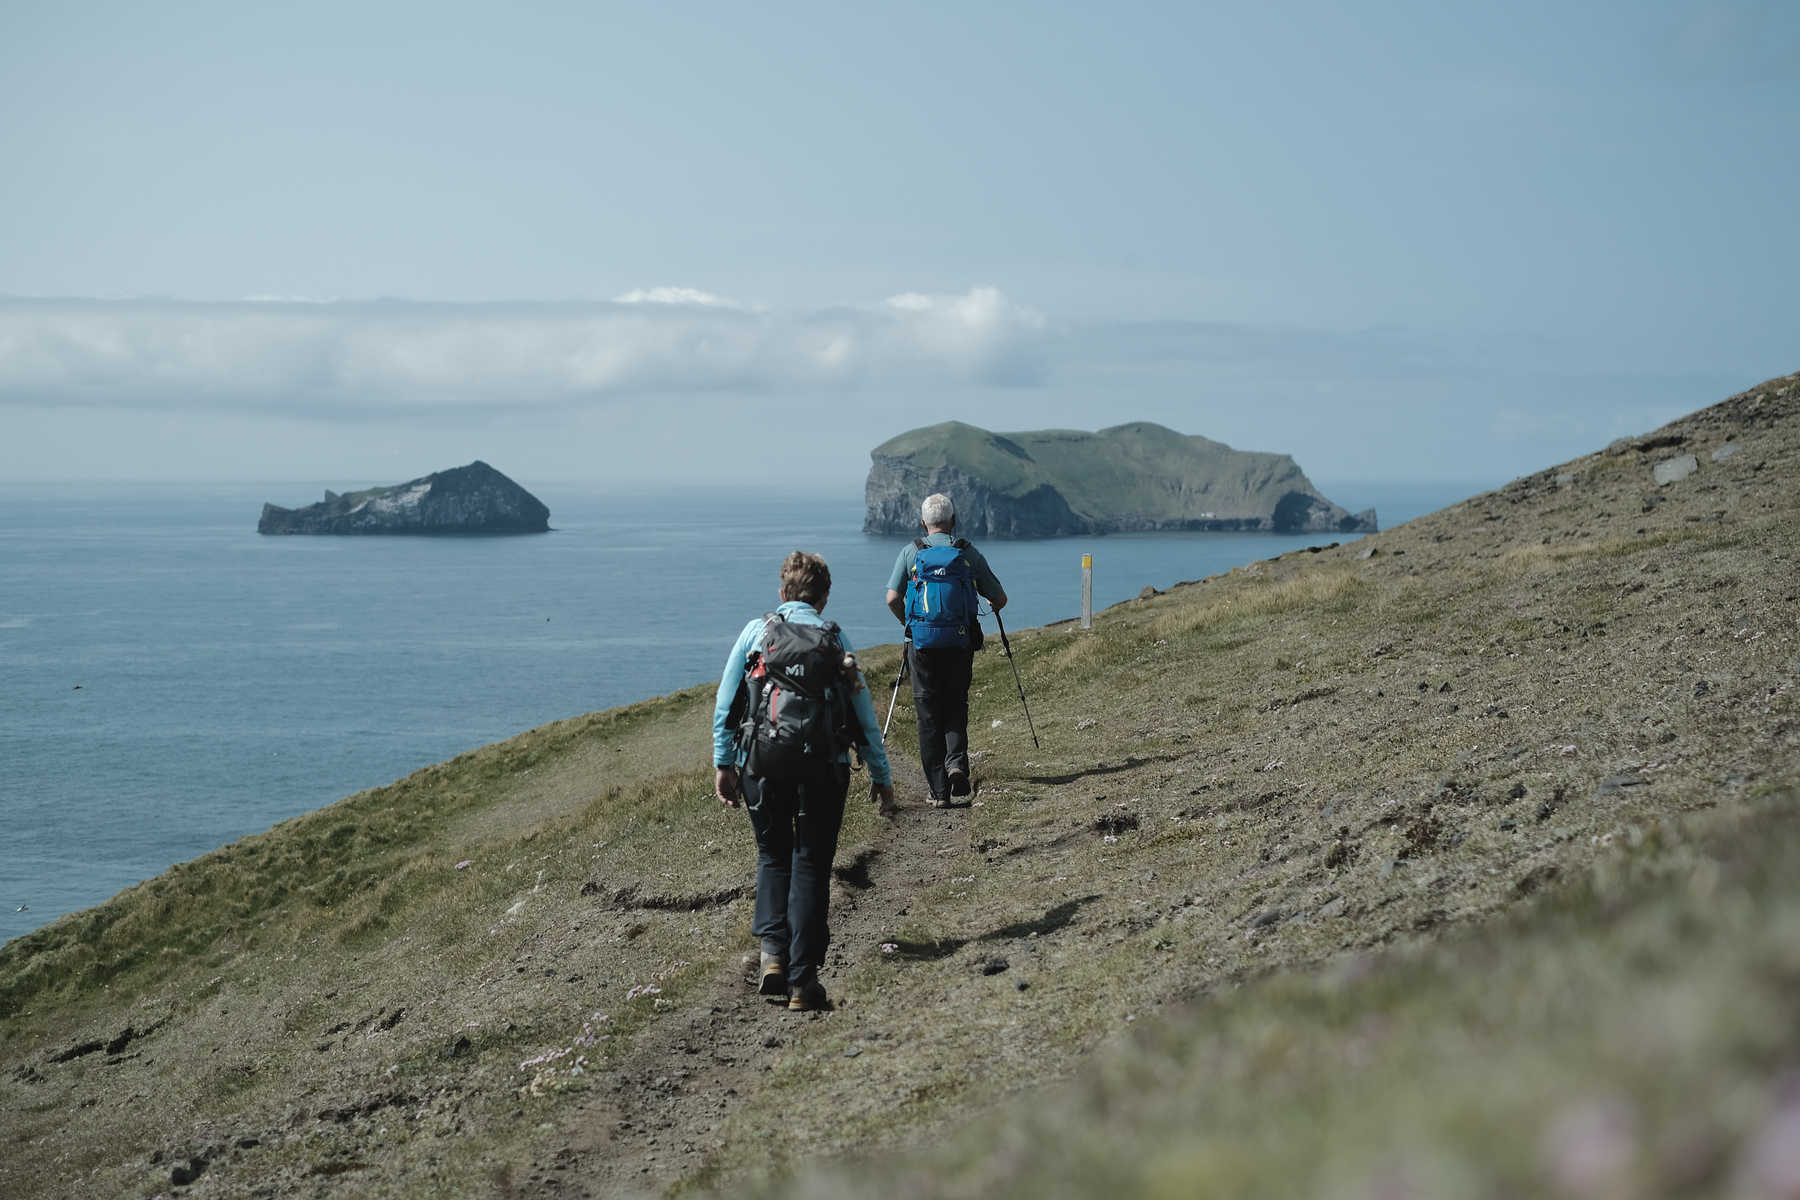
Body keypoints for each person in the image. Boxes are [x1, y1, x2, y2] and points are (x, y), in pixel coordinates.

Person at [713, 550, 894, 1012]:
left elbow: (727, 700)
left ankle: (772, 955)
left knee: (773, 855)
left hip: (762, 763)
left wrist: (724, 764)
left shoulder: (757, 633)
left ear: (782, 593)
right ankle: (802, 980)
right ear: (825, 596)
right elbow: (863, 713)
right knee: (812, 862)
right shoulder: (834, 638)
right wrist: (880, 775)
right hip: (823, 766)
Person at [884, 493, 1007, 807]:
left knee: (928, 713)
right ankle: (956, 766)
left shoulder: (911, 552)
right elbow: (999, 597)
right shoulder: (966, 552)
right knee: (955, 704)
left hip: (921, 644)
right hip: (958, 641)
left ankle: (938, 791)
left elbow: (892, 598)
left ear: (923, 523)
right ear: (953, 521)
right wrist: (989, 602)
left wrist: (909, 625)